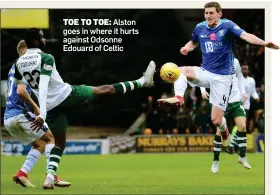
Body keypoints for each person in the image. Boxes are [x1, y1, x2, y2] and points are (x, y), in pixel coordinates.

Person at [13, 28, 156, 189]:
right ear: (37, 41)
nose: (45, 40)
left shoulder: (19, 63)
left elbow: (20, 89)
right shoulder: (46, 57)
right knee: (105, 89)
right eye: (43, 37)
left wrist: (40, 109)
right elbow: (44, 84)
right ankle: (143, 81)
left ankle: (49, 178)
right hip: (66, 95)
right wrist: (42, 114)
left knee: (59, 143)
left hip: (51, 106)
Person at [157, 1, 279, 147]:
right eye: (206, 13)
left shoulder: (227, 25)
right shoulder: (200, 28)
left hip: (223, 78)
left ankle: (224, 130)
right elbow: (193, 42)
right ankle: (179, 97)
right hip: (206, 72)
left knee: (216, 119)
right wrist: (186, 48)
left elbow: (246, 36)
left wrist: (265, 43)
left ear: (219, 14)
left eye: (211, 13)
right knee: (181, 71)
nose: (208, 16)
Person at [3, 40, 70, 188]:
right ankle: (51, 176)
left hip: (8, 117)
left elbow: (8, 92)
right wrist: (37, 108)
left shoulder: (13, 68)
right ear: (26, 50)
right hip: (21, 114)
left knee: (39, 144)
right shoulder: (25, 64)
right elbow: (21, 91)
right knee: (51, 139)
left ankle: (22, 174)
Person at [200, 58, 251, 173]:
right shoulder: (213, 59)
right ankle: (216, 160)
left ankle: (242, 157)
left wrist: (243, 92)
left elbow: (240, 77)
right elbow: (201, 76)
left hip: (236, 100)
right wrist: (203, 91)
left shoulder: (235, 61)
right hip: (221, 102)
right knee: (219, 131)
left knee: (242, 126)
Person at [227, 63, 260, 153]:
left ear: (248, 70)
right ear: (241, 70)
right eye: (243, 69)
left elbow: (253, 92)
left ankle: (233, 146)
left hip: (247, 106)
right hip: (238, 105)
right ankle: (233, 146)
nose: (245, 70)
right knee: (241, 126)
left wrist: (256, 97)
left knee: (241, 127)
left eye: (246, 69)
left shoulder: (251, 80)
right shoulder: (237, 80)